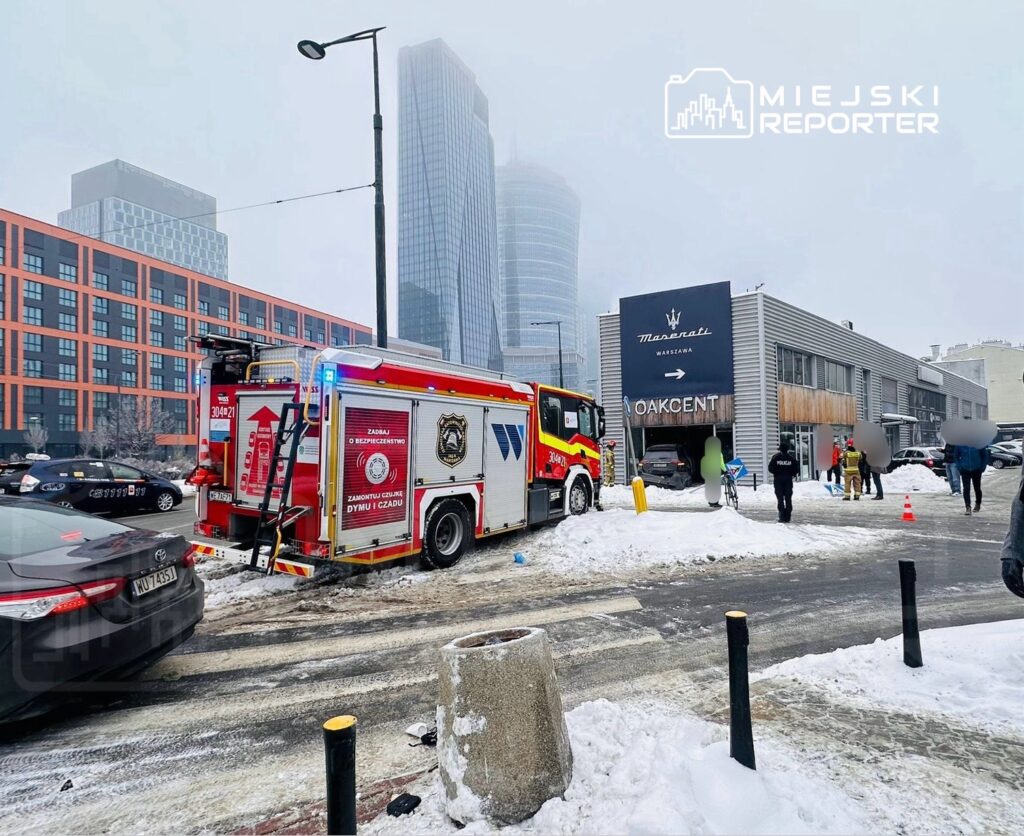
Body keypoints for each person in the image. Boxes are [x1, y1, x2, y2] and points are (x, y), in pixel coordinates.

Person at [954, 443, 991, 515]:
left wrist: (982, 467)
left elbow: (984, 456)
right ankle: (968, 507)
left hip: (977, 469)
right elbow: (956, 457)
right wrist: (960, 467)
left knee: (977, 488)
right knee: (966, 489)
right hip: (965, 469)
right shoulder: (960, 444)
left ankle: (978, 504)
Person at [768, 440, 800, 522]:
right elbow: (796, 469)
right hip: (788, 480)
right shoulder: (791, 458)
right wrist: (791, 474)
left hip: (778, 480)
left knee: (780, 498)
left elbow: (770, 468)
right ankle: (788, 516)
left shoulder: (775, 457)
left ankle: (781, 515)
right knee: (788, 498)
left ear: (780, 450)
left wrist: (776, 472)